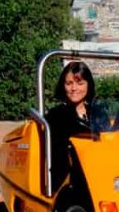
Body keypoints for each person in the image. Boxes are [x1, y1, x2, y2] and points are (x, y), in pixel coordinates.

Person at [45, 61, 107, 190]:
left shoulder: (98, 112)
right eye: (69, 83)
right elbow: (58, 155)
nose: (74, 88)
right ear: (63, 86)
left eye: (80, 83)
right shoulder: (56, 115)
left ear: (88, 85)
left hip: (99, 169)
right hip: (70, 177)